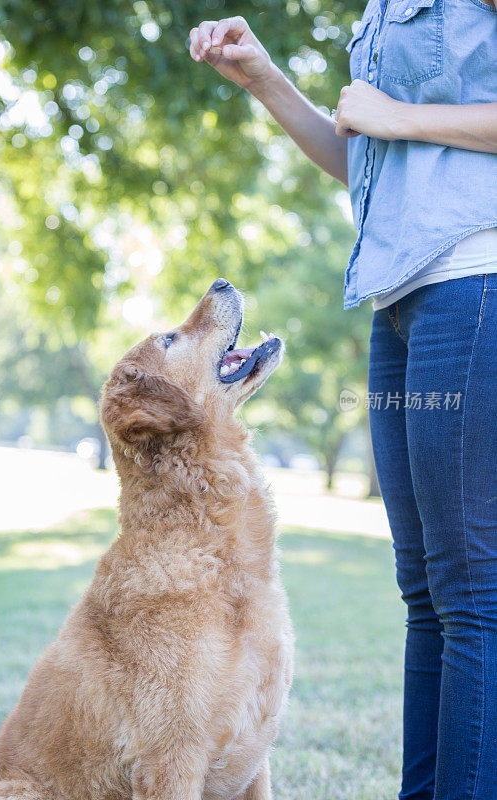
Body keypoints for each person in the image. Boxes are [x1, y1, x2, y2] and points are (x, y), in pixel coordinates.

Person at [189, 6, 497, 800]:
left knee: (470, 592)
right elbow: (360, 155)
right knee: (424, 589)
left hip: (474, 278)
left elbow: (389, 124)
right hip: (399, 296)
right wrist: (262, 75)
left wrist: (396, 113)